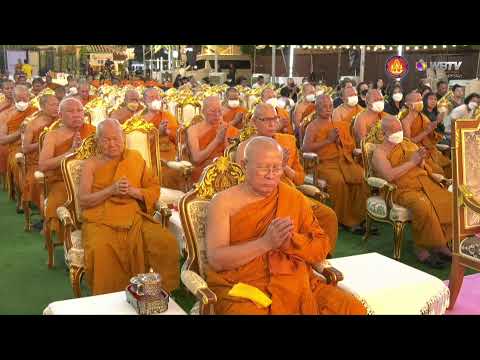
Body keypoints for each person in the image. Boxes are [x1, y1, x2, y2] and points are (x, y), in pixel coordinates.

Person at [205, 136, 366, 315]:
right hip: (246, 287)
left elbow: (320, 245)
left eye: (277, 168)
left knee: (353, 309)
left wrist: (291, 242)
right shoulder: (223, 203)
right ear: (244, 164)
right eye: (263, 168)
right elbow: (217, 259)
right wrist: (266, 243)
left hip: (295, 281)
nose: (271, 175)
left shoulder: (293, 197)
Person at [79, 119, 179, 295]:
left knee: (166, 242)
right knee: (100, 249)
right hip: (101, 220)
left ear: (123, 138)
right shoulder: (91, 164)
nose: (112, 144)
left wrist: (132, 192)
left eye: (116, 139)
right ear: (98, 141)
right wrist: (111, 190)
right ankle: (108, 299)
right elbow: (84, 200)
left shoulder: (134, 157)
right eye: (106, 139)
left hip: (134, 217)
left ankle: (158, 294)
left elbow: (153, 189)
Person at [235, 103, 338, 252]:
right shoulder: (245, 147)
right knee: (288, 225)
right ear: (254, 121)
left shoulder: (288, 141)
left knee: (328, 216)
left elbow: (300, 179)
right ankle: (293, 260)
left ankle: (321, 259)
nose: (272, 124)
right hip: (261, 199)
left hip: (291, 194)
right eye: (266, 120)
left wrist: (284, 167)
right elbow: (243, 181)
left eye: (275, 119)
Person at [372, 115, 452, 268]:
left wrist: (421, 160)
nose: (399, 132)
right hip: (400, 189)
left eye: (400, 129)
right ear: (384, 132)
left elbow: (422, 166)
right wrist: (412, 162)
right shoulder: (379, 153)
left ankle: (441, 244)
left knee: (447, 199)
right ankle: (421, 249)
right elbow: (389, 175)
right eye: (395, 130)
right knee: (422, 206)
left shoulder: (408, 144)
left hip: (423, 182)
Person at [303, 95, 369, 235]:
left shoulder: (340, 125)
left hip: (344, 160)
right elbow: (306, 148)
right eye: (324, 106)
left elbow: (350, 145)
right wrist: (328, 140)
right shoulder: (312, 126)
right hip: (324, 164)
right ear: (317, 108)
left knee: (361, 177)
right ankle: (341, 220)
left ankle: (358, 217)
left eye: (330, 106)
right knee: (338, 181)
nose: (328, 109)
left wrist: (340, 142)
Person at [38, 98, 96, 242]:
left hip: (93, 178)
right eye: (70, 111)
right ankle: (68, 240)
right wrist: (71, 152)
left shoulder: (94, 131)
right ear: (60, 116)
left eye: (80, 111)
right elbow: (43, 165)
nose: (76, 114)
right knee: (63, 195)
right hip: (62, 181)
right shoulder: (53, 136)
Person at [22, 94, 59, 221]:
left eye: (57, 104)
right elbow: (25, 148)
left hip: (58, 161)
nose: (56, 107)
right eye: (53, 105)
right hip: (37, 163)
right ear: (42, 107)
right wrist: (44, 142)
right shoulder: (32, 124)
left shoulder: (62, 121)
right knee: (36, 181)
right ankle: (46, 219)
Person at [187, 96, 239, 182]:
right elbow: (196, 158)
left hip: (226, 170)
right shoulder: (193, 130)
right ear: (203, 111)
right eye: (212, 111)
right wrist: (217, 140)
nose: (217, 114)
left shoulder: (228, 128)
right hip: (204, 172)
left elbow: (233, 158)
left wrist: (225, 136)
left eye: (219, 111)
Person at [401, 91, 451, 178]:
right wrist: (426, 131)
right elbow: (409, 143)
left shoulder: (423, 117)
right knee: (438, 171)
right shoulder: (405, 121)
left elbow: (431, 136)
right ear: (409, 104)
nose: (420, 102)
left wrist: (436, 123)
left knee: (451, 165)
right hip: (418, 153)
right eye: (417, 100)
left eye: (421, 99)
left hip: (431, 150)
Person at [142, 88, 183, 190]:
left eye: (157, 97)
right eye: (151, 97)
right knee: (164, 173)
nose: (155, 100)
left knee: (182, 170)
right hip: (153, 155)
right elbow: (141, 144)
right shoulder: (140, 120)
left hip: (171, 152)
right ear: (144, 101)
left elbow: (179, 138)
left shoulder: (168, 116)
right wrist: (158, 133)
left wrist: (167, 132)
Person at [0, 85, 38, 196]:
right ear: (14, 98)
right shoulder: (5, 115)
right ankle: (22, 196)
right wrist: (19, 133)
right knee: (19, 162)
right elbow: (2, 140)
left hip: (35, 147)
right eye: (19, 99)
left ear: (29, 97)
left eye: (24, 98)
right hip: (16, 149)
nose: (22, 101)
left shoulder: (36, 112)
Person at [0, 81, 16, 177]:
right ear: (2, 91)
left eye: (12, 88)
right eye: (7, 88)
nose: (10, 91)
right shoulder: (1, 106)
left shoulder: (24, 104)